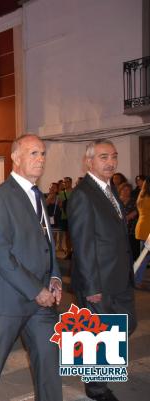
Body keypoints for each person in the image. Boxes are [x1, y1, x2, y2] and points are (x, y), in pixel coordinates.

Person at [0, 135, 62, 401]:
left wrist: (55, 277)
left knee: (49, 364)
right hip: (10, 301)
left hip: (42, 302)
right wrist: (35, 289)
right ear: (16, 158)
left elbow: (47, 245)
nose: (40, 159)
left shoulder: (37, 195)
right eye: (33, 153)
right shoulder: (0, 197)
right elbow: (1, 253)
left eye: (42, 153)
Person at [68, 139, 137, 401]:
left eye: (113, 157)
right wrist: (92, 287)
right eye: (103, 157)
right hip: (98, 281)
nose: (111, 162)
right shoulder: (83, 194)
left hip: (119, 278)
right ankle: (96, 389)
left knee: (125, 325)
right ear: (89, 161)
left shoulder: (111, 191)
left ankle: (97, 366)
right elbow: (83, 245)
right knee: (97, 332)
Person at [134, 177, 150, 286]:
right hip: (147, 227)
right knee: (144, 257)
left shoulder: (141, 194)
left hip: (142, 226)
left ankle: (136, 278)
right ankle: (135, 279)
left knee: (144, 256)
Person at [119, 183, 139, 264]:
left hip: (132, 227)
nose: (126, 192)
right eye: (124, 190)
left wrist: (127, 217)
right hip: (120, 228)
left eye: (128, 190)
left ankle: (135, 264)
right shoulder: (117, 200)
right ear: (120, 190)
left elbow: (137, 211)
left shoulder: (134, 201)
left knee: (133, 247)